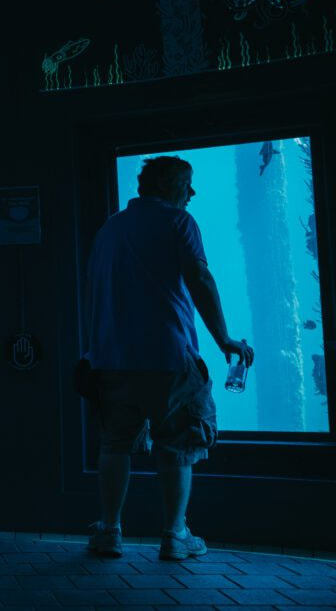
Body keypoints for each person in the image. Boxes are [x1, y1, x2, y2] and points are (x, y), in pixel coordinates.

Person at [84, 156, 253, 561]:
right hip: (168, 357)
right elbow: (199, 278)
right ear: (166, 185)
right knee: (178, 445)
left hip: (110, 360)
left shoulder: (109, 229)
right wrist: (224, 338)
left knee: (115, 444)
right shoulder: (179, 223)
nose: (191, 193)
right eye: (186, 184)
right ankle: (175, 535)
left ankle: (109, 531)